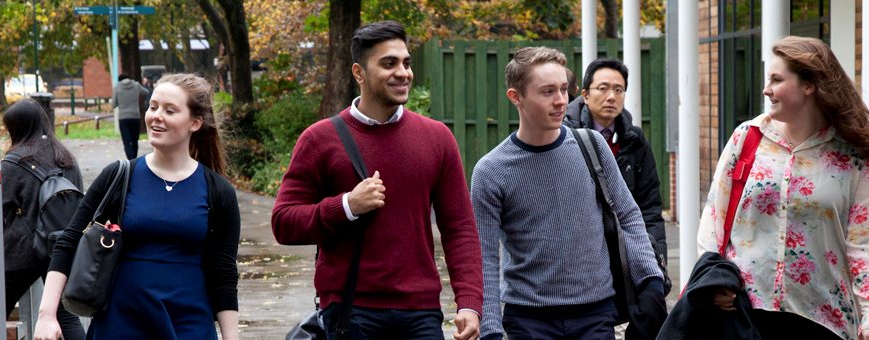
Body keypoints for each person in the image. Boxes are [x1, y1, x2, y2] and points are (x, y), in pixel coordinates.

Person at [271, 21, 483, 340]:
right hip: (349, 309)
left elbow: (460, 228)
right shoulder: (319, 139)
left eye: (406, 63)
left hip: (421, 311)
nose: (402, 72)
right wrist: (346, 206)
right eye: (389, 63)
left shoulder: (437, 138)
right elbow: (283, 222)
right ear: (359, 73)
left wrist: (469, 303)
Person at [697, 36, 869, 340]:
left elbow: (868, 242)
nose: (767, 89)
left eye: (776, 80)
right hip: (744, 314)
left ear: (809, 85)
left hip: (822, 320)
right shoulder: (747, 138)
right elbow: (714, 217)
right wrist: (711, 281)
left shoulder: (856, 156)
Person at [470, 47, 665, 340]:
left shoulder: (593, 146)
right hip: (528, 319)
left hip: (596, 314)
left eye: (563, 89)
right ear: (516, 97)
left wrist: (650, 280)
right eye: (547, 92)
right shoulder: (491, 170)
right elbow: (484, 256)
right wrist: (490, 329)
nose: (561, 100)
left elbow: (628, 215)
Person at [35, 73, 242, 340]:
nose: (156, 115)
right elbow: (69, 241)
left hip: (189, 325)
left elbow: (223, 274)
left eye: (170, 110)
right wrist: (46, 315)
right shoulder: (120, 177)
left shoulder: (218, 191)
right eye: (153, 106)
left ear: (195, 122)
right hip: (121, 324)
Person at [563, 58, 671, 298]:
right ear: (585, 94)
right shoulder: (566, 137)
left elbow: (649, 206)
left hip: (626, 252)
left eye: (618, 90)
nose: (611, 96)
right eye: (602, 88)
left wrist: (657, 261)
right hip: (580, 259)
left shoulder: (634, 140)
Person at [0, 99, 85, 340]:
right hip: (61, 248)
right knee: (66, 316)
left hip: (22, 251)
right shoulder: (65, 158)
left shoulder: (14, 162)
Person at [113, 74, 151, 160]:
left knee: (126, 142)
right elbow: (146, 92)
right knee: (135, 140)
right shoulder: (136, 85)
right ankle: (134, 159)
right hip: (135, 116)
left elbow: (113, 105)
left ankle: (130, 160)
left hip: (123, 118)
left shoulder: (117, 87)